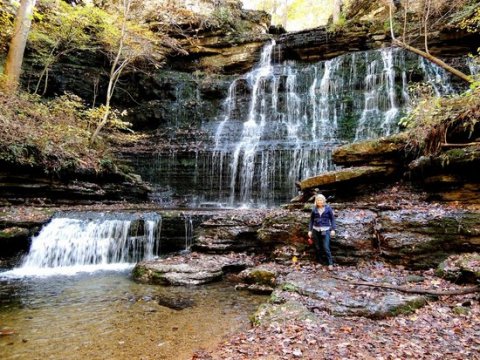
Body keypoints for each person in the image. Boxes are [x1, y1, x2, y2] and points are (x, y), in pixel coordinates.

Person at [308, 194, 336, 270]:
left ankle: (330, 263)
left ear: (324, 201)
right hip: (315, 230)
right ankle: (320, 262)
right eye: (318, 200)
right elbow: (311, 220)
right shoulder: (314, 209)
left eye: (321, 200)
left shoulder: (328, 208)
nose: (319, 201)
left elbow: (332, 219)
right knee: (317, 247)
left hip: (326, 230)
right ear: (316, 201)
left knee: (326, 247)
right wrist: (310, 230)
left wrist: (333, 229)